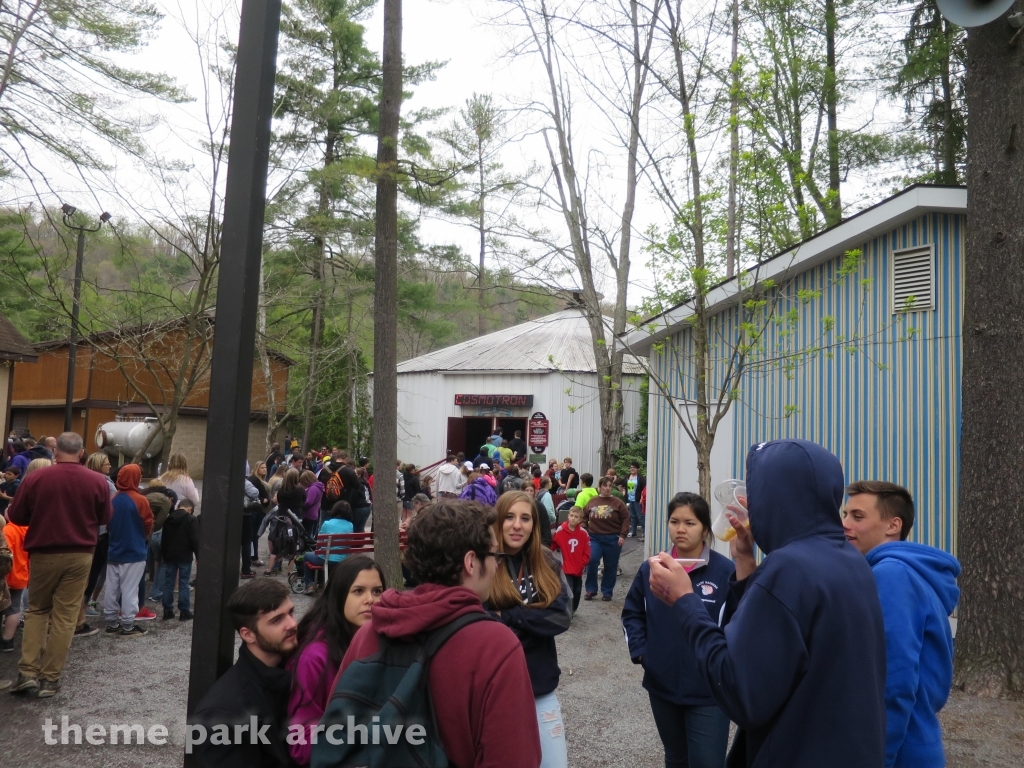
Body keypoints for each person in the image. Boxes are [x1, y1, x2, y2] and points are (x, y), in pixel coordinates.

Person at [648, 439, 887, 768]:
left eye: (756, 492)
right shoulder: (848, 558)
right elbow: (778, 640)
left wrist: (685, 602)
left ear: (776, 498)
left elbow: (739, 690)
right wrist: (746, 563)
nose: (751, 503)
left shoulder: (790, 567)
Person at [334, 500, 541, 768]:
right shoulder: (495, 646)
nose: (497, 566)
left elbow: (337, 731)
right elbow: (513, 758)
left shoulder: (370, 631)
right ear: (470, 562)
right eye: (494, 556)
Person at [842, 480, 960, 768]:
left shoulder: (892, 575)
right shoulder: (906, 572)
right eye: (845, 514)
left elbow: (894, 679)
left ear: (893, 525)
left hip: (899, 750)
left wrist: (877, 757)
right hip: (918, 738)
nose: (845, 524)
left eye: (858, 517)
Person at [621, 492, 734, 768]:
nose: (681, 529)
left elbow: (737, 625)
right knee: (675, 758)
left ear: (706, 528)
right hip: (662, 687)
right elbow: (632, 612)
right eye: (674, 521)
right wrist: (643, 654)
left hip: (709, 690)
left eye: (690, 523)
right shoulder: (652, 568)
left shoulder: (725, 572)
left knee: (707, 763)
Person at [7, 432, 112, 697]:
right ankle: (50, 679)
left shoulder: (37, 478)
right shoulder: (97, 481)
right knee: (65, 616)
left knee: (37, 610)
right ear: (81, 453)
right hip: (80, 554)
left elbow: (17, 515)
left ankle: (28, 672)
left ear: (56, 452)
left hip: (44, 552)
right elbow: (105, 517)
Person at [487, 491, 571, 768]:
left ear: (534, 525)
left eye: (525, 518)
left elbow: (561, 617)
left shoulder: (546, 562)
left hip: (540, 689)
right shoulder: (485, 563)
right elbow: (484, 625)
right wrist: (535, 618)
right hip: (495, 691)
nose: (517, 525)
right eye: (509, 517)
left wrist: (511, 615)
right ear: (498, 521)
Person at [287, 555, 386, 766]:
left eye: (377, 591)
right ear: (339, 596)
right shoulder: (314, 657)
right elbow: (301, 742)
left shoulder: (382, 642)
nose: (370, 599)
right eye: (358, 591)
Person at [190, 579, 298, 767]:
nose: (292, 624)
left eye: (291, 613)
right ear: (248, 634)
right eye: (277, 620)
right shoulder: (224, 713)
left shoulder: (296, 670)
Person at [103, 463, 154, 637]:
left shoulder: (113, 499)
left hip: (114, 550)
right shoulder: (140, 500)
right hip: (134, 550)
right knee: (130, 589)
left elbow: (108, 524)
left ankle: (111, 621)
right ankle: (127, 624)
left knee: (112, 588)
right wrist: (144, 536)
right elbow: (148, 523)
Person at [581, 476, 629, 602]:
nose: (607, 488)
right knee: (592, 560)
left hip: (613, 537)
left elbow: (626, 518)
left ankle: (607, 591)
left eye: (609, 485)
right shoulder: (593, 501)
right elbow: (584, 516)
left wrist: (623, 535)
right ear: (600, 487)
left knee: (610, 565)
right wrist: (584, 529)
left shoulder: (617, 502)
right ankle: (591, 589)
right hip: (594, 537)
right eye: (605, 485)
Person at [302, 501, 355, 594]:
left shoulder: (327, 523)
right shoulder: (350, 525)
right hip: (343, 559)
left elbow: (319, 544)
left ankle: (310, 585)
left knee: (307, 556)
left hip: (326, 558)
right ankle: (322, 583)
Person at [159, 498, 199, 620]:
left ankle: (167, 610)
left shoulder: (168, 519)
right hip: (184, 555)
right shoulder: (191, 519)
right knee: (184, 583)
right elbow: (195, 539)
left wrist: (164, 555)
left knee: (168, 583)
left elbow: (164, 539)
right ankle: (184, 611)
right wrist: (198, 555)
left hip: (170, 555)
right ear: (189, 509)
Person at [550, 506, 590, 615]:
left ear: (580, 519)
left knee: (577, 590)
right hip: (566, 567)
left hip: (578, 567)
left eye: (576, 517)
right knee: (569, 590)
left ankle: (574, 609)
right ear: (568, 516)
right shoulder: (561, 530)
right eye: (571, 516)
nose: (573, 518)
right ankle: (568, 612)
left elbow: (587, 551)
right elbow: (553, 545)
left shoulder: (583, 533)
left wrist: (583, 563)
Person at [2, 505, 29, 653]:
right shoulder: (27, 530)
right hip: (21, 575)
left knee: (3, 608)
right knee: (14, 609)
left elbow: (6, 555)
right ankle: (8, 640)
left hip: (7, 576)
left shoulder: (8, 530)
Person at [299, 470, 324, 539]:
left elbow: (309, 502)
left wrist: (300, 504)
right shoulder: (318, 487)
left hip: (308, 515)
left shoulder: (313, 488)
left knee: (305, 535)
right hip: (313, 514)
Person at [626, 462, 647, 539]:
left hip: (638, 500)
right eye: (631, 467)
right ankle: (633, 531)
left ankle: (645, 532)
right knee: (632, 516)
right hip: (630, 499)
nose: (632, 469)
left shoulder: (640, 478)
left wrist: (642, 498)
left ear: (637, 469)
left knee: (640, 516)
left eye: (634, 467)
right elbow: (624, 486)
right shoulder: (627, 477)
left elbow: (644, 489)